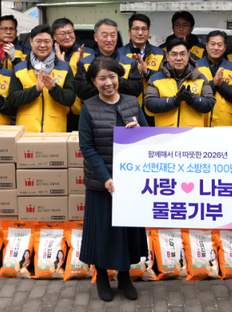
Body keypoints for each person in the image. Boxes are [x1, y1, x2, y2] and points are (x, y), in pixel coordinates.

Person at [78, 57, 148, 302]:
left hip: (129, 182)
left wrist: (139, 132)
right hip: (101, 183)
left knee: (126, 231)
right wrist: (106, 178)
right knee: (103, 231)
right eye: (102, 78)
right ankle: (101, 275)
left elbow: (149, 138)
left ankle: (125, 275)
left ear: (119, 78)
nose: (108, 83)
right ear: (93, 81)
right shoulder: (88, 107)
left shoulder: (132, 102)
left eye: (112, 77)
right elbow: (87, 147)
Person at [8, 24, 76, 132]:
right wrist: (36, 90)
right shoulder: (19, 68)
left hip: (55, 130)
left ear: (53, 41)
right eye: (38, 41)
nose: (43, 45)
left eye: (47, 41)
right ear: (31, 42)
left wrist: (53, 88)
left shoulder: (65, 68)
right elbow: (13, 99)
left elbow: (70, 99)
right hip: (27, 130)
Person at [144, 38, 215, 127]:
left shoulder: (200, 77)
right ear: (167, 56)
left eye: (182, 54)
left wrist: (192, 98)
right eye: (174, 54)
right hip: (165, 132)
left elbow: (210, 103)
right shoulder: (155, 78)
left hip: (192, 132)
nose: (178, 58)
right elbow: (149, 103)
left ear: (188, 55)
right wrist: (173, 101)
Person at [74, 19, 143, 102]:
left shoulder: (129, 62)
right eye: (105, 35)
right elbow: (80, 91)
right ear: (96, 37)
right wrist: (101, 81)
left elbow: (137, 89)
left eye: (113, 35)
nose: (109, 40)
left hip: (123, 108)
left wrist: (117, 80)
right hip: (94, 108)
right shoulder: (85, 62)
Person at [117, 14, 165, 126]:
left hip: (153, 108)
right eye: (136, 29)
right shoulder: (119, 54)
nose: (140, 33)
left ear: (148, 32)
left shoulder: (160, 53)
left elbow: (165, 80)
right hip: (126, 109)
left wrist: (146, 72)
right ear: (129, 32)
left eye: (144, 29)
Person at [52, 17, 92, 131]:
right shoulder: (49, 55)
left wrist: (80, 64)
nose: (67, 37)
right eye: (62, 34)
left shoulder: (89, 53)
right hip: (57, 110)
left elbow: (92, 81)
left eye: (70, 32)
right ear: (54, 36)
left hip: (81, 110)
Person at [196, 30, 232, 127]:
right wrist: (213, 84)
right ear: (206, 45)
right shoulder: (195, 67)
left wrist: (221, 85)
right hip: (199, 119)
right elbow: (192, 93)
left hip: (224, 121)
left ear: (225, 47)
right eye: (212, 44)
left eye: (219, 45)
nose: (216, 48)